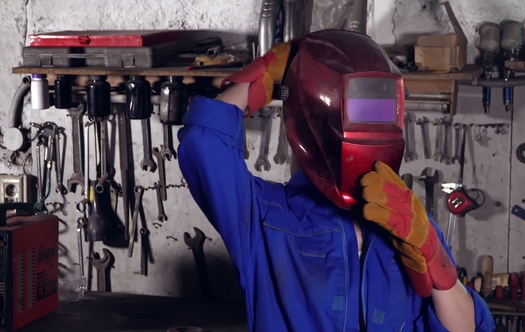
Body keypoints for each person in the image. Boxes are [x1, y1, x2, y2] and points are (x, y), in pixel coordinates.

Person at [178, 29, 494, 331]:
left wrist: (434, 259)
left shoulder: (411, 225)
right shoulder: (264, 219)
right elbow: (203, 144)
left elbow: (468, 327)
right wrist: (263, 77)